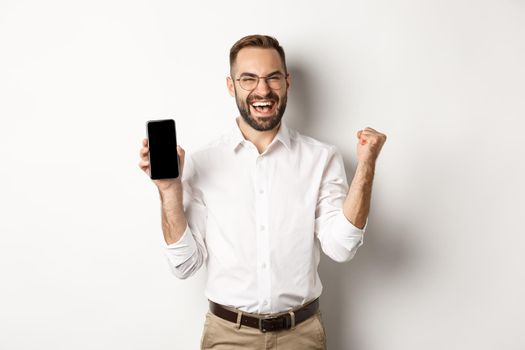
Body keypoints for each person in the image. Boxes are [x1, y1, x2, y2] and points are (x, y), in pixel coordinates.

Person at [138, 34, 386, 350]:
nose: (263, 90)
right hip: (228, 337)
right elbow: (185, 265)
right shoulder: (203, 162)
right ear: (231, 86)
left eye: (272, 78)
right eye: (249, 79)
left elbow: (341, 247)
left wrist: (366, 166)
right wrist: (169, 189)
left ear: (287, 82)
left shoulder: (321, 158)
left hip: (301, 336)